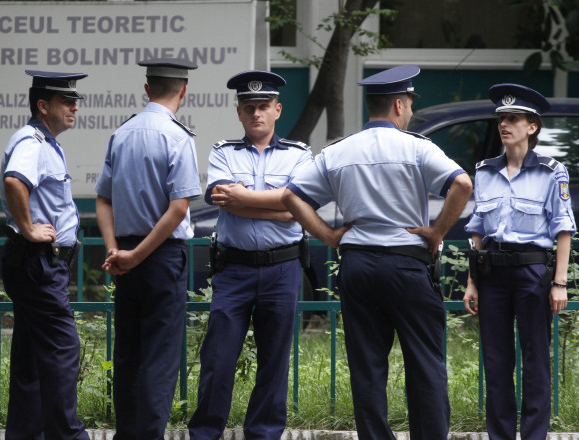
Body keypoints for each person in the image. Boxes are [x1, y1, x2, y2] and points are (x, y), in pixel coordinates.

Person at [282, 65, 473, 440]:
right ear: (399, 105)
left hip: (357, 267)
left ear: (372, 106)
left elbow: (291, 195)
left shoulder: (339, 151)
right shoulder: (417, 147)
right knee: (425, 363)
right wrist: (437, 231)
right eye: (410, 105)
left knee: (367, 368)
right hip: (407, 267)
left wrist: (330, 236)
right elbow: (462, 183)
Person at [186, 70, 343, 440]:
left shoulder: (299, 154)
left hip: (283, 268)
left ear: (277, 110)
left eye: (264, 107)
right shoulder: (224, 152)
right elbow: (224, 198)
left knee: (274, 363)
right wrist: (285, 205)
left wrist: (247, 200)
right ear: (239, 113)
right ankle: (205, 434)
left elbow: (299, 206)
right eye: (249, 107)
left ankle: (264, 434)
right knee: (218, 360)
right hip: (233, 270)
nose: (256, 113)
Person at [95, 57, 201, 440]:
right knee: (160, 358)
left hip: (122, 257)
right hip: (161, 258)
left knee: (128, 353)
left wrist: (116, 252)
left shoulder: (122, 134)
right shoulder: (177, 137)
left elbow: (102, 200)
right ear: (183, 91)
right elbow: (179, 209)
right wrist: (138, 256)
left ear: (146, 89)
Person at [463, 84, 574, 440]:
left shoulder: (551, 172)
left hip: (532, 274)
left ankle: (533, 435)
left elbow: (563, 230)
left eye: (513, 119)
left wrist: (559, 282)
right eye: (501, 119)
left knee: (536, 360)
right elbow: (477, 230)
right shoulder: (484, 170)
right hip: (492, 272)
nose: (504, 125)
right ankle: (500, 435)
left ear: (533, 127)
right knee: (496, 363)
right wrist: (472, 281)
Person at [0, 70, 89, 440]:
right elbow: (14, 181)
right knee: (63, 352)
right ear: (42, 105)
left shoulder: (47, 142)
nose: (74, 107)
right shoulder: (33, 141)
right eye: (66, 101)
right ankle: (69, 435)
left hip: (38, 264)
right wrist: (29, 227)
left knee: (32, 359)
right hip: (39, 262)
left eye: (75, 101)